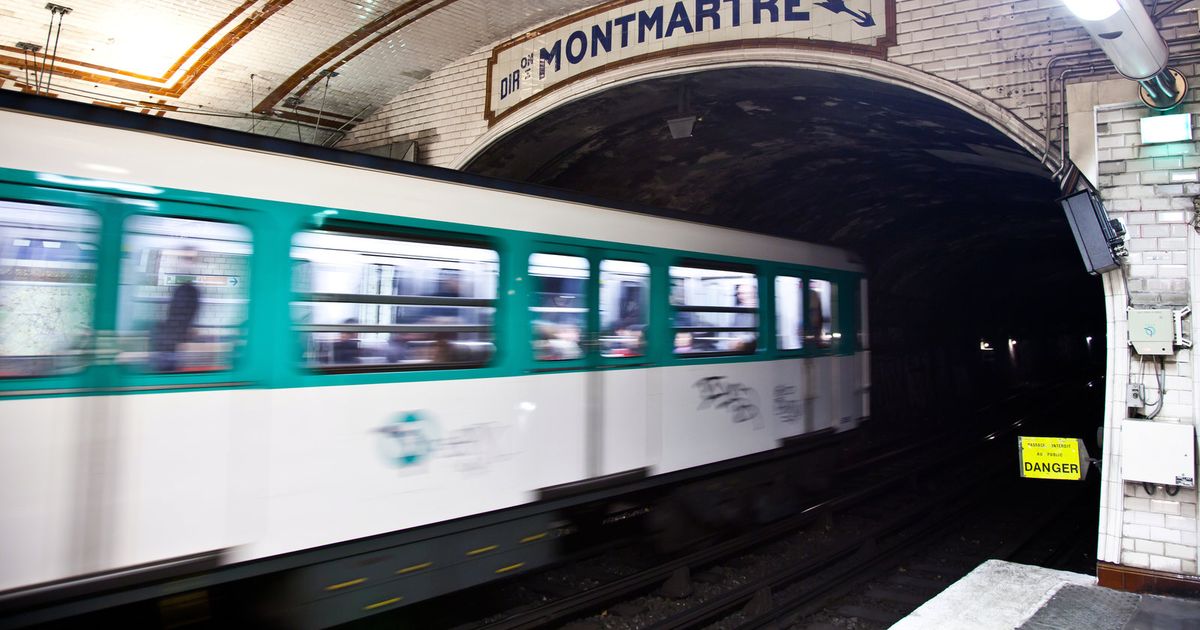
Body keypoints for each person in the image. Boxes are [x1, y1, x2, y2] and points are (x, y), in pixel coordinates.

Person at [149, 249, 201, 372]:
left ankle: (166, 367)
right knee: (170, 352)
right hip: (177, 330)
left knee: (168, 353)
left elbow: (178, 310)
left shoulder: (186, 290)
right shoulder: (188, 290)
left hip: (175, 329)